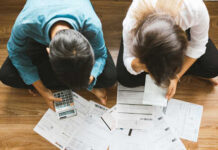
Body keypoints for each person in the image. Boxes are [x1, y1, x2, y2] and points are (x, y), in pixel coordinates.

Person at [0, 0, 117, 110]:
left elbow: (101, 54)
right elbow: (16, 53)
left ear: (86, 42)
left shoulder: (92, 25)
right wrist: (43, 91)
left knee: (111, 76)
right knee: (6, 75)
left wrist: (90, 81)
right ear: (48, 51)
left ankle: (61, 81)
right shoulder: (25, 24)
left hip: (63, 33)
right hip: (37, 36)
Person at [117, 0, 218, 100]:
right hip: (141, 31)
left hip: (180, 28)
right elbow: (128, 57)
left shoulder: (195, 8)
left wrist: (176, 77)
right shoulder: (132, 23)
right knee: (124, 78)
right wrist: (142, 65)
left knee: (213, 66)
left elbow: (198, 45)